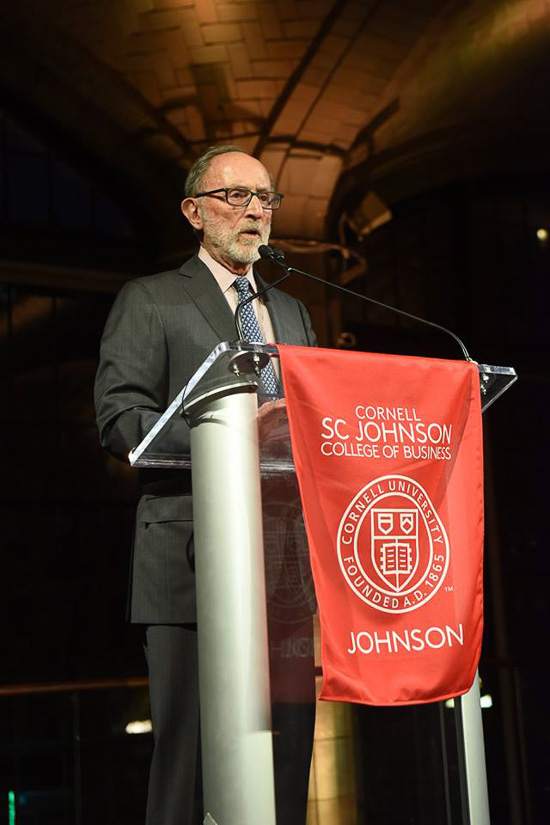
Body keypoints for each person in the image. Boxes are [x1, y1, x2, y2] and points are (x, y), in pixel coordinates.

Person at [94, 145, 317, 825]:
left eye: (266, 198)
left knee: (288, 765)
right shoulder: (152, 298)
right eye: (236, 196)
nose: (255, 210)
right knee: (190, 769)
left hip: (286, 568)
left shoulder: (296, 312)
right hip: (191, 563)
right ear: (194, 211)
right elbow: (121, 421)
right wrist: (230, 432)